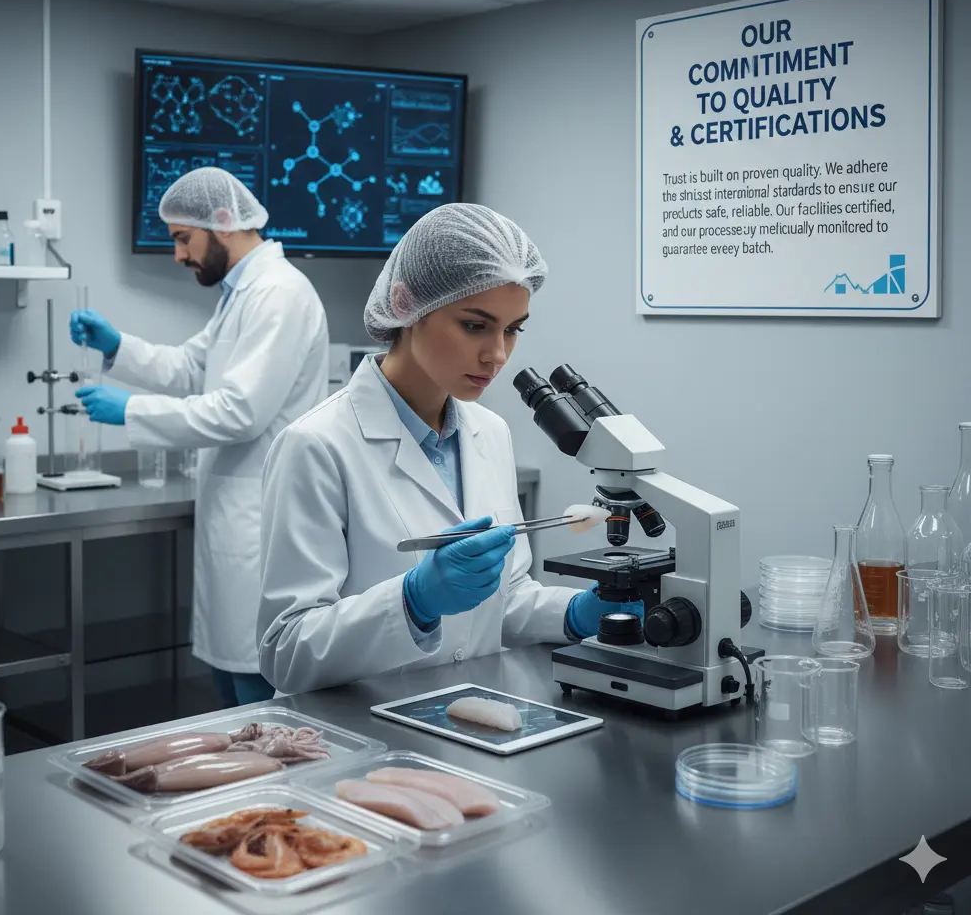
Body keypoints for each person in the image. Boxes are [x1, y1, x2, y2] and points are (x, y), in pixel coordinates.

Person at [257, 203, 641, 696]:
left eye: (512, 329)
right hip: (359, 737)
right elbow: (285, 652)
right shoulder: (315, 446)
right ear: (405, 304)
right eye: (475, 325)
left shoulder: (490, 432)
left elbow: (504, 599)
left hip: (465, 726)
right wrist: (412, 601)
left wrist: (574, 612)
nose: (497, 355)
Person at [70, 167, 329, 707]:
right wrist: (119, 347)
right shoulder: (243, 292)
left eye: (182, 238)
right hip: (234, 514)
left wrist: (133, 412)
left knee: (258, 689)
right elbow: (193, 368)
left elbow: (240, 412)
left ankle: (270, 791)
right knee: (231, 683)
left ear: (224, 222)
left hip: (261, 518)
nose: (179, 255)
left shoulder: (279, 294)